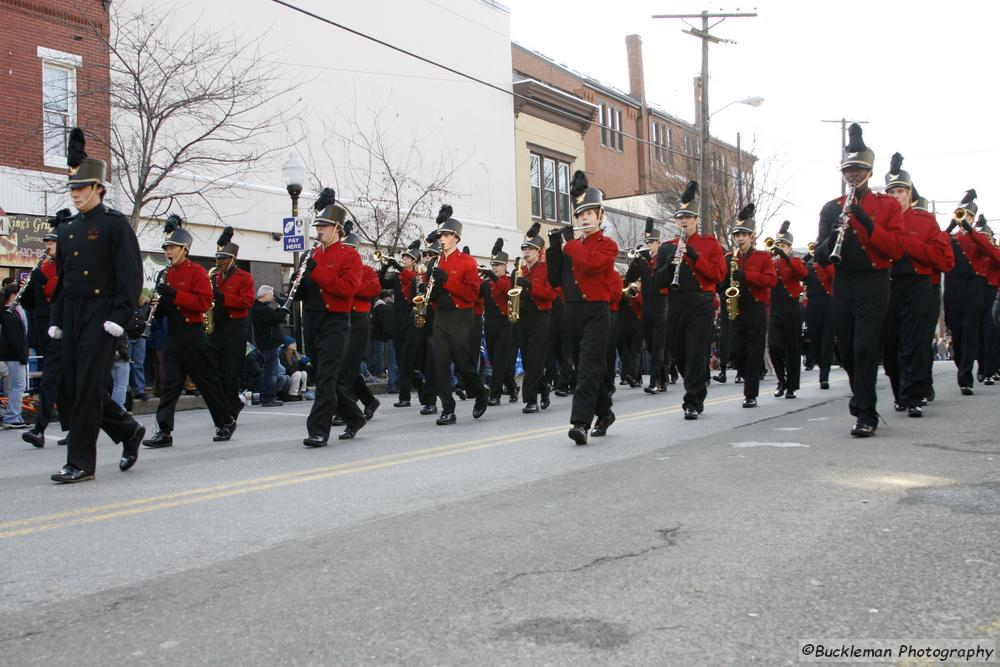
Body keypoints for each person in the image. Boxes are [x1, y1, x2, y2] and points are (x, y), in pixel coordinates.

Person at [48, 128, 145, 482]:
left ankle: (80, 463)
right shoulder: (67, 229)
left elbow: (131, 276)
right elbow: (64, 278)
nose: (75, 195)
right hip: (73, 313)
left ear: (98, 189)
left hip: (102, 314)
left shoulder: (115, 226)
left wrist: (120, 316)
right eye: (72, 189)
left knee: (88, 386)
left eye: (81, 189)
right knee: (75, 386)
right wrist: (57, 318)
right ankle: (128, 430)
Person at [813, 123, 905, 437]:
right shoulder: (831, 208)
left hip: (875, 282)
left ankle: (866, 413)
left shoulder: (887, 205)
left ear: (869, 171)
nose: (853, 174)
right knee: (847, 351)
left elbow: (895, 249)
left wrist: (864, 221)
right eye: (848, 169)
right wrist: (838, 234)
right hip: (845, 283)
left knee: (865, 347)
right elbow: (821, 256)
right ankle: (861, 395)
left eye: (859, 169)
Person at [141, 214, 238, 448]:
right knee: (169, 385)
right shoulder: (167, 274)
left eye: (172, 247)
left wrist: (174, 295)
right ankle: (164, 431)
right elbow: (167, 307)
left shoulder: (196, 272)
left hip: (193, 334)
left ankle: (225, 421)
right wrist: (156, 307)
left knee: (207, 382)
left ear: (184, 249)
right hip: (173, 336)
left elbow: (204, 303)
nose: (168, 252)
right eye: (166, 248)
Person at [546, 171, 619, 444]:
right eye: (580, 214)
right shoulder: (570, 246)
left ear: (600, 217)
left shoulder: (607, 246)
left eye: (590, 213)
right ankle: (605, 412)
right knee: (584, 368)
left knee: (588, 368)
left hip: (597, 312)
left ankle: (580, 423)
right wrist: (555, 246)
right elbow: (554, 279)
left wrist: (569, 245)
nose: (584, 218)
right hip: (572, 313)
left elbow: (591, 264)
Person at [880, 155, 953, 416]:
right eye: (891, 191)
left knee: (912, 342)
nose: (896, 195)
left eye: (900, 191)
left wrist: (906, 244)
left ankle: (912, 395)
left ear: (909, 193)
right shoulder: (879, 220)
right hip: (887, 285)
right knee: (889, 345)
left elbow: (943, 259)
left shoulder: (925, 221)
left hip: (917, 284)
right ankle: (901, 389)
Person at [296, 189, 365, 447]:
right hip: (312, 319)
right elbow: (306, 290)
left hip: (335, 320)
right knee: (325, 376)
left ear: (337, 228)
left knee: (326, 377)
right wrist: (299, 281)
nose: (319, 230)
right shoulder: (312, 254)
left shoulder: (349, 256)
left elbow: (347, 289)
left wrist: (316, 272)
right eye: (318, 225)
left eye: (324, 226)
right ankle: (354, 416)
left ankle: (318, 430)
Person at [654, 180, 726, 420]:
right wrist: (670, 265)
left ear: (696, 219)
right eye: (679, 218)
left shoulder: (710, 244)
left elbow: (718, 275)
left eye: (688, 217)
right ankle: (696, 384)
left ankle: (692, 400)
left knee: (696, 350)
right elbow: (658, 281)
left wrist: (693, 255)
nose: (683, 221)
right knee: (680, 351)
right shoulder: (667, 247)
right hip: (676, 303)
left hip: (701, 302)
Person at [425, 205, 489, 425]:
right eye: (440, 235)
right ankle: (447, 409)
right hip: (441, 316)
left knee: (464, 364)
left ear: (455, 238)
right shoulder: (435, 262)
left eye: (445, 235)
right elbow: (431, 290)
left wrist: (448, 281)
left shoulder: (467, 262)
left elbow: (472, 293)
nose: (441, 239)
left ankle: (480, 393)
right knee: (440, 364)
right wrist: (430, 292)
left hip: (462, 316)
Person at [721, 204, 777, 408]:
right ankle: (749, 373)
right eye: (737, 235)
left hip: (756, 307)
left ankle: (750, 394)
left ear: (751, 236)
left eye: (744, 234)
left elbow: (771, 280)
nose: (740, 238)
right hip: (736, 307)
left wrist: (746, 276)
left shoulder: (763, 257)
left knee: (754, 352)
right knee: (735, 351)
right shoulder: (730, 258)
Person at [20, 212, 68, 447]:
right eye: (46, 242)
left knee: (58, 382)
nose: (47, 246)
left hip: (65, 330)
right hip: (46, 330)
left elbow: (59, 292)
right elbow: (33, 302)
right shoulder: (45, 265)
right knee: (58, 383)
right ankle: (55, 429)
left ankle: (43, 430)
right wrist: (27, 289)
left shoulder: (67, 265)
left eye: (51, 242)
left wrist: (42, 280)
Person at [943, 190, 994, 395]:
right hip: (953, 285)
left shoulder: (978, 237)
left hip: (974, 286)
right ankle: (961, 364)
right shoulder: (950, 237)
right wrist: (950, 227)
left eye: (969, 215)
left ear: (972, 218)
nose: (965, 218)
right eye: (962, 213)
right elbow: (937, 242)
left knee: (970, 329)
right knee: (956, 329)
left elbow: (991, 251)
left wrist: (970, 231)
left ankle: (965, 377)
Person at [333, 223, 382, 434]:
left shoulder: (366, 270)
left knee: (348, 367)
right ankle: (369, 400)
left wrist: (351, 283)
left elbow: (373, 289)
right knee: (344, 367)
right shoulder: (338, 269)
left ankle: (346, 410)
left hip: (360, 320)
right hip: (341, 318)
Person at [209, 226, 255, 422]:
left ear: (232, 259)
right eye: (218, 258)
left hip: (236, 327)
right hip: (217, 326)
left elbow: (247, 302)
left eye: (223, 258)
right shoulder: (214, 276)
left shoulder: (244, 277)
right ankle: (231, 404)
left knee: (230, 371)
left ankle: (231, 407)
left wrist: (221, 297)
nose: (219, 262)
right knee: (216, 371)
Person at [515, 223, 557, 413]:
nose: (526, 252)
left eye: (530, 248)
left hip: (541, 318)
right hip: (523, 318)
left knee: (534, 360)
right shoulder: (521, 271)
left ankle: (530, 400)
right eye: (524, 248)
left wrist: (530, 288)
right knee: (527, 359)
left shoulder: (546, 269)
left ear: (539, 251)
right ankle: (544, 388)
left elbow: (551, 293)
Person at [625, 217, 668, 392]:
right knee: (650, 345)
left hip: (662, 304)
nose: (649, 245)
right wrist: (636, 261)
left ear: (658, 242)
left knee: (658, 346)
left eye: (651, 242)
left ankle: (655, 382)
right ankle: (663, 378)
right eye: (647, 242)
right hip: (647, 305)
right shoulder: (642, 260)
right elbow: (629, 278)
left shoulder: (663, 258)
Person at [767, 221, 808, 400]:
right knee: (774, 346)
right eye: (778, 245)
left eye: (783, 246)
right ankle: (781, 380)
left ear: (789, 247)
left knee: (793, 347)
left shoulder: (795, 261)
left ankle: (791, 385)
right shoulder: (770, 262)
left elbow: (802, 274)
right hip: (775, 307)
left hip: (792, 306)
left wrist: (786, 257)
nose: (780, 248)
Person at [378, 240, 420, 408]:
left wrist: (399, 267)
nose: (404, 260)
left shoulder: (418, 275)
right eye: (403, 257)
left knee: (407, 358)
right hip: (398, 319)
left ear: (414, 261)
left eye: (408, 258)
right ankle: (419, 388)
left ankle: (405, 397)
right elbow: (382, 283)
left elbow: (413, 280)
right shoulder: (397, 277)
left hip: (411, 318)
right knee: (401, 359)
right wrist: (385, 267)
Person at [482, 238, 518, 405]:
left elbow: (507, 290)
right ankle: (512, 387)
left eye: (497, 265)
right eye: (493, 265)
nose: (494, 268)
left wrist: (494, 279)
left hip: (504, 324)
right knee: (496, 361)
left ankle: (495, 395)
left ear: (505, 266)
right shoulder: (488, 282)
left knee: (500, 359)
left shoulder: (509, 280)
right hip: (489, 324)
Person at [803, 240, 835, 390]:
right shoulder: (808, 268)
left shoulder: (828, 266)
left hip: (828, 304)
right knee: (815, 338)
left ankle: (824, 375)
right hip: (813, 305)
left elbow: (835, 277)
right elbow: (798, 272)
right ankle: (822, 366)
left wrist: (825, 263)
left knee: (827, 340)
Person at [251, 285, 287, 406]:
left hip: (268, 343)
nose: (272, 297)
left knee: (269, 372)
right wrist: (284, 307)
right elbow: (277, 319)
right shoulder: (260, 309)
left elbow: (273, 317)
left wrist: (280, 307)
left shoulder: (259, 308)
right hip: (269, 344)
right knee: (270, 373)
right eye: (271, 295)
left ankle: (266, 397)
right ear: (264, 295)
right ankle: (268, 398)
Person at [1, 283, 29, 429]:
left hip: (12, 354)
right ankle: (13, 416)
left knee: (15, 385)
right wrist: (22, 354)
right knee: (18, 385)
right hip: (14, 355)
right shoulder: (10, 312)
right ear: (13, 295)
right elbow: (15, 338)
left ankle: (13, 415)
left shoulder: (9, 312)